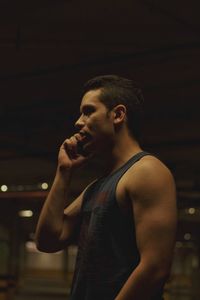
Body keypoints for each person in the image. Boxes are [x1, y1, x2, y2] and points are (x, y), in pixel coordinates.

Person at [35, 75, 177, 300]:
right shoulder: (97, 187)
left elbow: (154, 268)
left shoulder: (147, 172)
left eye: (88, 111)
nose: (78, 122)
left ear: (118, 115)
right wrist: (64, 173)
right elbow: (47, 241)